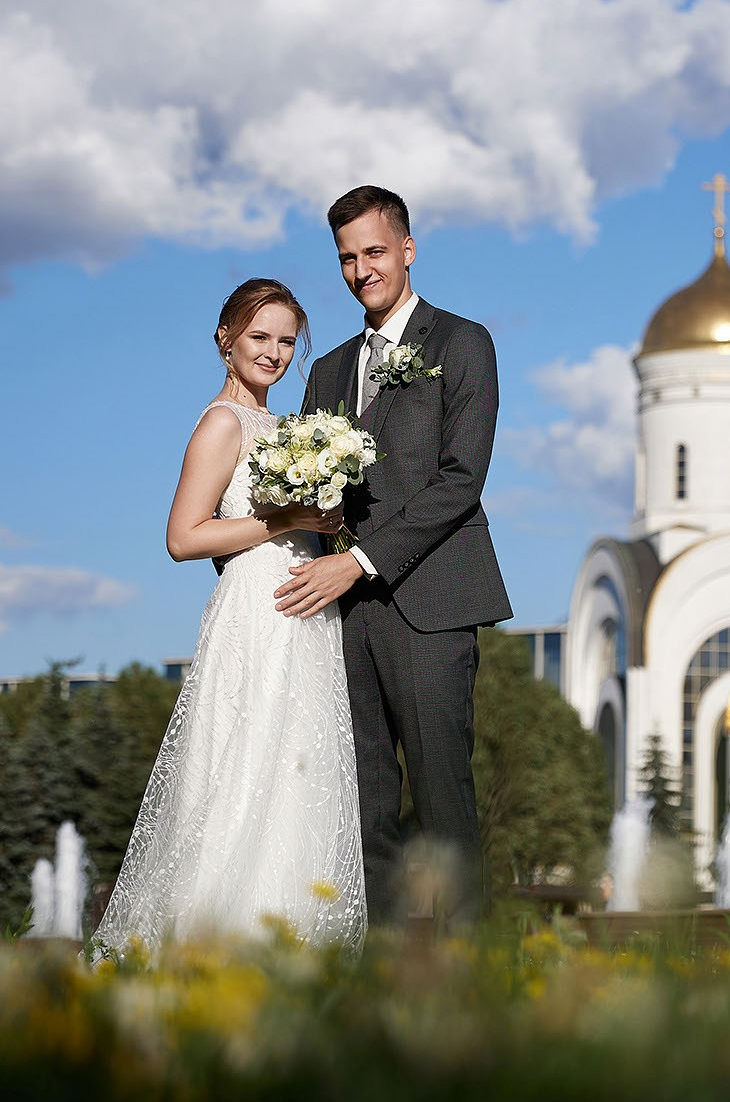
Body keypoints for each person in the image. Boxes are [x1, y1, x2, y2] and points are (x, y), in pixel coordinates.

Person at [91, 279, 367, 958]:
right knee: (244, 772)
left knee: (298, 778)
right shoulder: (222, 423)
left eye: (284, 340)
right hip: (258, 611)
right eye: (259, 337)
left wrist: (322, 522)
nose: (273, 352)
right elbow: (183, 536)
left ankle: (293, 948)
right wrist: (291, 517)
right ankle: (215, 949)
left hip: (304, 610)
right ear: (226, 338)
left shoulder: (283, 427)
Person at [274, 186, 513, 928]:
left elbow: (460, 480)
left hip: (432, 604)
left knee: (443, 801)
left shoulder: (461, 342)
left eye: (374, 252)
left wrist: (361, 559)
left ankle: (470, 986)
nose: (360, 270)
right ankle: (383, 981)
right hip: (344, 616)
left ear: (407, 249)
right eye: (347, 257)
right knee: (363, 802)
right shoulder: (328, 368)